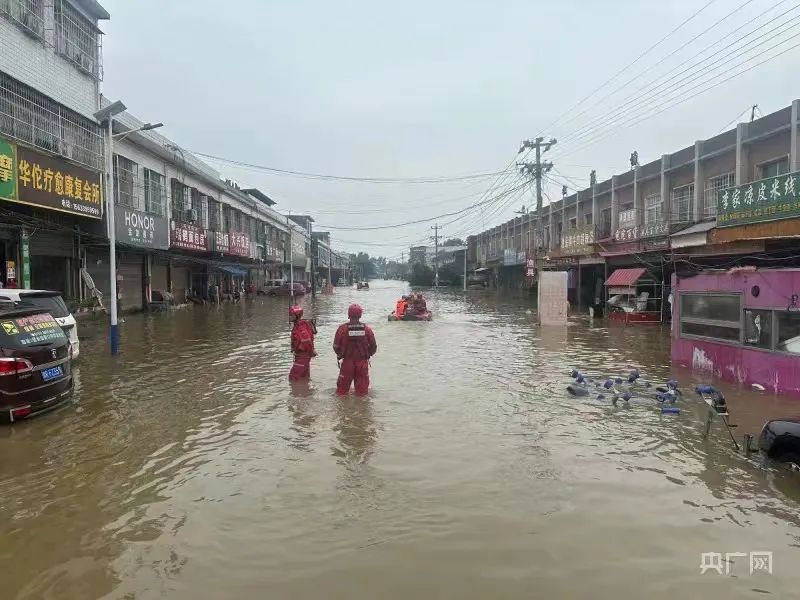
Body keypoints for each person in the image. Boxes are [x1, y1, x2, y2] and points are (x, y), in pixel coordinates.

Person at [334, 303, 377, 395]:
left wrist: (341, 354)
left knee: (341, 392)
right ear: (360, 315)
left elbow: (336, 346)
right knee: (362, 393)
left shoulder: (342, 329)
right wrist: (368, 355)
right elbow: (373, 347)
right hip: (362, 363)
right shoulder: (367, 329)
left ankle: (343, 409)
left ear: (349, 315)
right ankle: (361, 409)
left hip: (347, 363)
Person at [288, 305, 317, 381]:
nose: (289, 317)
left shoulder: (301, 327)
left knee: (292, 377)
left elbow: (307, 341)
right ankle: (306, 391)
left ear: (296, 316)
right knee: (304, 378)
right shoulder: (299, 325)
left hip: (302, 356)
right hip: (302, 355)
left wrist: (311, 352)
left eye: (291, 315)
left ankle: (297, 392)